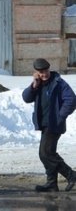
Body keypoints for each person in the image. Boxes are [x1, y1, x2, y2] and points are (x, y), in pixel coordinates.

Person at [22, 58, 76, 192]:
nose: (44, 74)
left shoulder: (58, 82)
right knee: (48, 153)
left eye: (46, 71)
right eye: (41, 72)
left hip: (54, 124)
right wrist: (34, 85)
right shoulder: (38, 84)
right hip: (44, 124)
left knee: (45, 153)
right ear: (36, 72)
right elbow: (26, 98)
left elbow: (71, 100)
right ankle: (52, 183)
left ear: (49, 69)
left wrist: (60, 116)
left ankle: (71, 175)